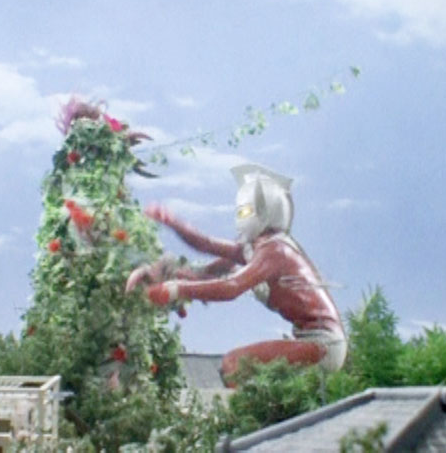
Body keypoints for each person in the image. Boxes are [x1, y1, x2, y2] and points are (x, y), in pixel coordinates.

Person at [126, 164, 347, 383]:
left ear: (265, 213)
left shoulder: (275, 250)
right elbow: (206, 247)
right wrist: (172, 223)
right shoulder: (255, 248)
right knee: (240, 369)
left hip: (323, 344)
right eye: (239, 212)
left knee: (234, 364)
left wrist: (175, 289)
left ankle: (251, 404)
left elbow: (231, 287)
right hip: (311, 341)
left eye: (245, 212)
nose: (240, 218)